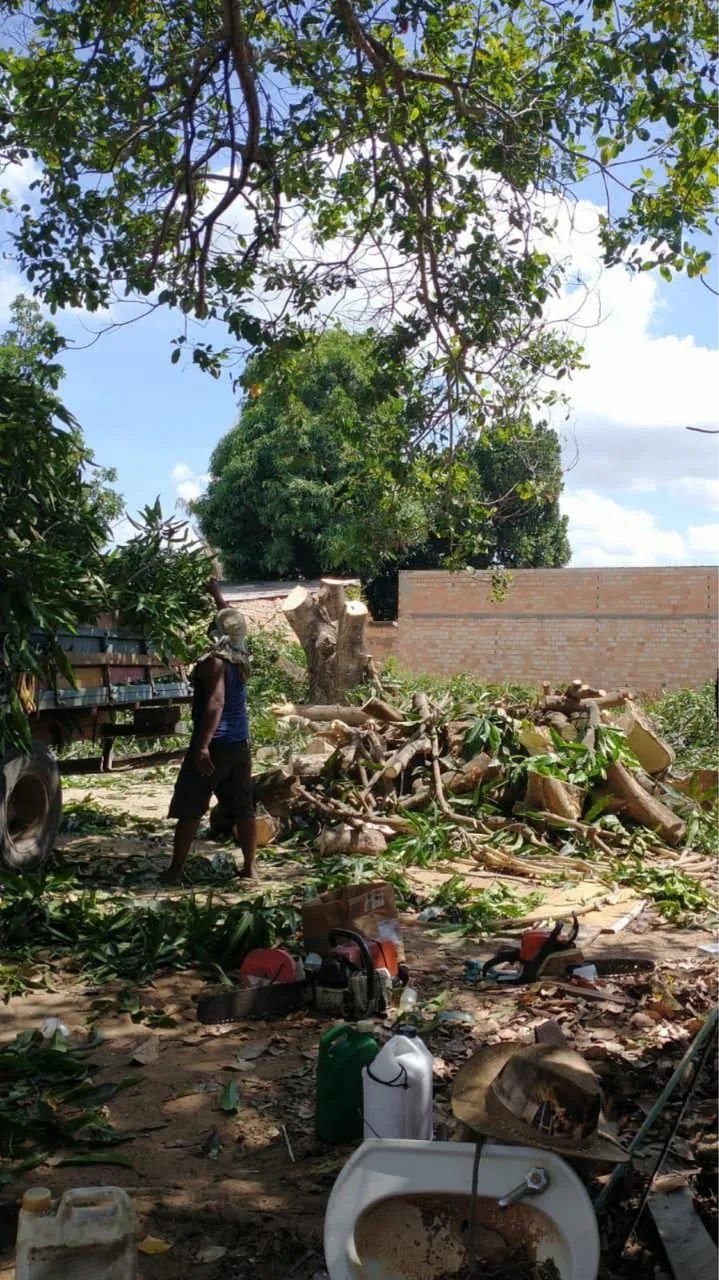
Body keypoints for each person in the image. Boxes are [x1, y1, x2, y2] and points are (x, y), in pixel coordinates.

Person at [162, 580, 257, 884]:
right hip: (239, 744)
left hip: (214, 744)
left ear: (214, 635)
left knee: (191, 807)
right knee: (243, 807)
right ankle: (250, 867)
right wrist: (216, 594)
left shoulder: (213, 663)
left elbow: (215, 704)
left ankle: (176, 871)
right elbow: (230, 620)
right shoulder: (240, 655)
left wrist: (202, 747)